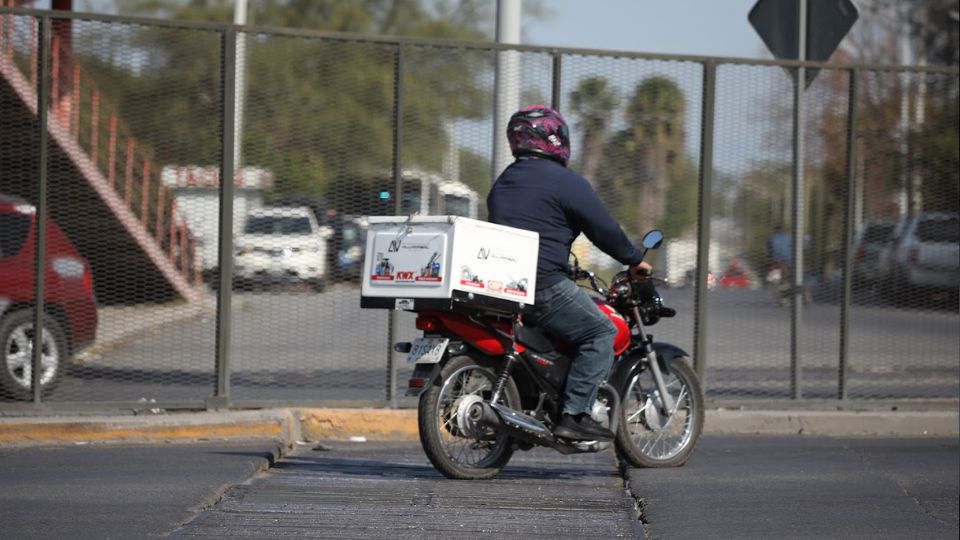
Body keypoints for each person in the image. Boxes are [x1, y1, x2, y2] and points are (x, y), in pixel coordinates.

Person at [487, 105, 652, 442]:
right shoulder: (565, 181)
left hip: (502, 285)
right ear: (554, 138)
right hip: (543, 284)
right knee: (599, 332)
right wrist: (634, 259)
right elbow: (603, 229)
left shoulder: (505, 180)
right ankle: (574, 415)